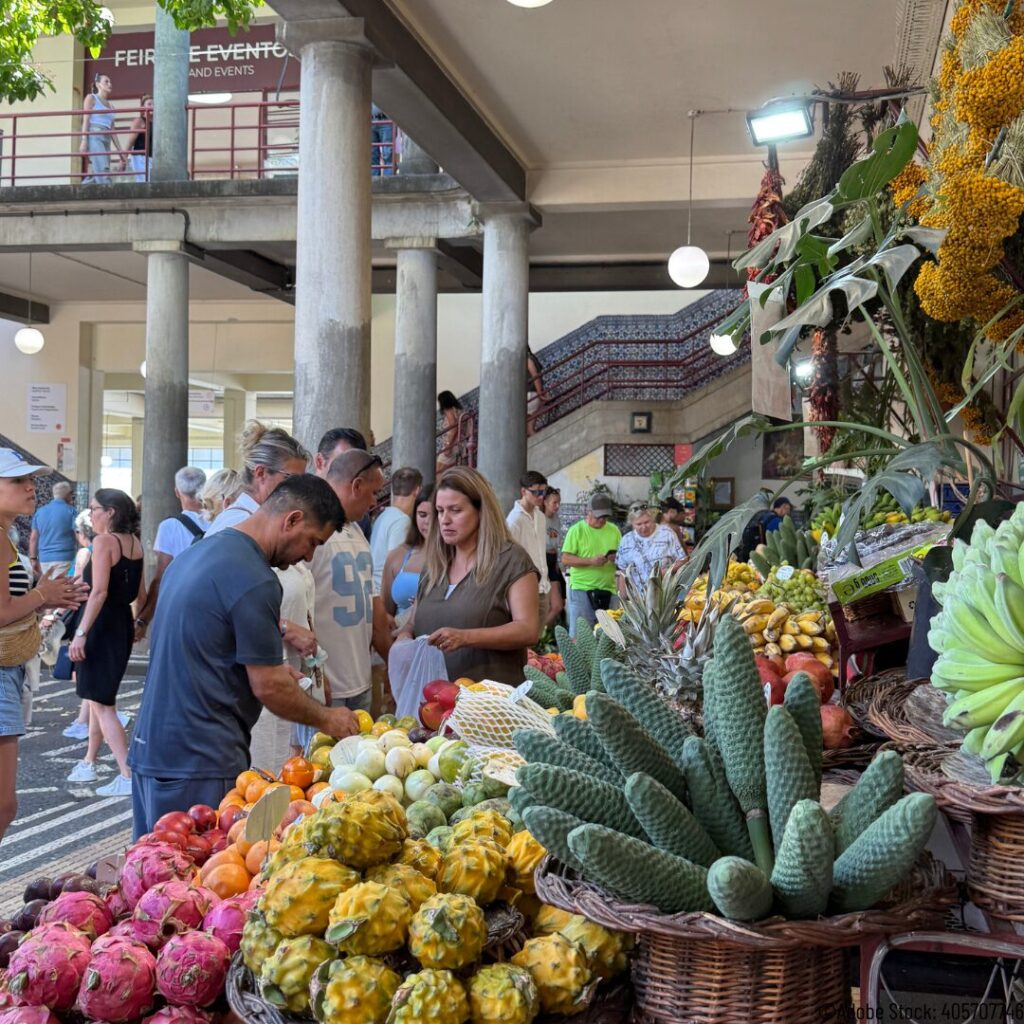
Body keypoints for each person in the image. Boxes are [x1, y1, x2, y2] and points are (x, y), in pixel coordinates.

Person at [128, 475, 353, 837]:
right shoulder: (255, 578)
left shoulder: (197, 553)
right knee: (191, 880)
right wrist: (328, 719)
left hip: (151, 750)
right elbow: (269, 687)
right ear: (292, 519)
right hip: (200, 757)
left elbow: (206, 650)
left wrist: (270, 674)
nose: (309, 556)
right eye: (312, 542)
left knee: (153, 877)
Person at [0, 449, 87, 841]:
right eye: (17, 481)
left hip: (10, 669)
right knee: (4, 804)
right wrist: (43, 595)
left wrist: (47, 597)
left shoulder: (8, 537)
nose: (29, 487)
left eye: (30, 479)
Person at [401, 466, 539, 685]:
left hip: (489, 706)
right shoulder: (435, 564)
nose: (444, 520)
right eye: (440, 510)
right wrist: (404, 637)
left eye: (455, 510)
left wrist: (465, 637)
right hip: (432, 704)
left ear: (481, 511)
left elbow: (528, 629)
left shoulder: (511, 559)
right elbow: (413, 622)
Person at [65, 490, 145, 797]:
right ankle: (90, 760)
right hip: (121, 622)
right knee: (100, 697)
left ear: (110, 512)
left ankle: (126, 772)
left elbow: (98, 592)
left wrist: (81, 633)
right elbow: (142, 594)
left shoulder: (103, 542)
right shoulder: (134, 544)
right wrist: (140, 623)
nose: (91, 514)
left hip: (99, 623)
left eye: (95, 509)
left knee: (102, 703)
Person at [312, 450, 392, 717]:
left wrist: (391, 660)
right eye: (373, 493)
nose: (374, 502)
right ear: (356, 485)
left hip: (360, 679)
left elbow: (372, 602)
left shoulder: (356, 530)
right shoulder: (312, 530)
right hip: (325, 685)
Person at [133, 466, 207, 641]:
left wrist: (143, 620)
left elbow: (162, 577)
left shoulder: (170, 526)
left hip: (182, 606)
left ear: (176, 492)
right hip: (215, 606)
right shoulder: (221, 520)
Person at [205, 421, 310, 536]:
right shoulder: (241, 522)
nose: (298, 488)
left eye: (301, 481)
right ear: (260, 473)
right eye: (291, 479)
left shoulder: (252, 518)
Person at [561, 493, 621, 637]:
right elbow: (566, 559)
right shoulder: (577, 530)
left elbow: (623, 556)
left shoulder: (614, 530)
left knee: (610, 637)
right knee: (580, 636)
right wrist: (591, 561)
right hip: (582, 588)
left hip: (608, 589)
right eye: (598, 516)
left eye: (605, 517)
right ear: (588, 512)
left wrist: (615, 558)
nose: (601, 520)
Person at [506, 470, 552, 637]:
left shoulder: (540, 516)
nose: (541, 496)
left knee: (536, 638)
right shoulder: (514, 520)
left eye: (543, 492)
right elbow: (509, 557)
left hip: (543, 585)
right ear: (524, 492)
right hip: (524, 588)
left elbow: (540, 552)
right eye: (536, 492)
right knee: (523, 638)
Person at [381, 487, 433, 629]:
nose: (428, 521)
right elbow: (385, 613)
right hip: (400, 641)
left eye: (436, 514)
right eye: (422, 515)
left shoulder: (457, 557)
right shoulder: (397, 556)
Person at [369, 467, 424, 591]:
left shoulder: (383, 515)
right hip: (386, 596)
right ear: (417, 490)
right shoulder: (401, 521)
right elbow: (395, 567)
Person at [615, 504, 685, 594]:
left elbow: (683, 560)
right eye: (639, 524)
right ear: (632, 524)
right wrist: (623, 599)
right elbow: (623, 572)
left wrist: (667, 572)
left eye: (646, 522)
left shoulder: (667, 534)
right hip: (638, 599)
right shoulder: (626, 540)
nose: (643, 527)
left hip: (664, 594)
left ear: (652, 519)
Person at [29, 481, 77, 579]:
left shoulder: (40, 512)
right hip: (65, 558)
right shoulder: (71, 511)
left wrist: (33, 559)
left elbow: (33, 538)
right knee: (63, 591)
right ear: (68, 495)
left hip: (44, 560)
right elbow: (78, 535)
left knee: (48, 590)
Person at [81, 74, 122, 184]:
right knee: (103, 169)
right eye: (106, 82)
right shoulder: (91, 98)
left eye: (110, 82)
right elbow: (86, 120)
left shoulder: (112, 106)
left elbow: (113, 131)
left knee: (99, 170)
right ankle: (109, 194)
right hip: (95, 135)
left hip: (107, 138)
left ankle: (83, 188)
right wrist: (84, 140)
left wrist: (121, 152)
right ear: (98, 84)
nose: (110, 84)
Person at [736, 497, 792, 562]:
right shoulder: (776, 521)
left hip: (749, 552)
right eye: (788, 509)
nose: (789, 512)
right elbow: (779, 540)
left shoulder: (764, 516)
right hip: (762, 555)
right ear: (783, 507)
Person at [543, 487, 565, 626]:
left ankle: (542, 634)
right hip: (542, 559)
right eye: (554, 503)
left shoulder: (556, 519)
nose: (557, 506)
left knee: (558, 605)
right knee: (553, 605)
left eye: (559, 503)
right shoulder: (539, 518)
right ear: (545, 502)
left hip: (552, 559)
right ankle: (538, 635)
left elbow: (557, 542)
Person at [124, 95, 152, 182]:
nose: (152, 106)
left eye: (154, 104)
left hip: (152, 157)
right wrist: (123, 160)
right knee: (143, 181)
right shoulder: (139, 121)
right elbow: (130, 142)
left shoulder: (156, 122)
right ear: (144, 107)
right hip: (140, 157)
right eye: (149, 104)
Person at [437, 391, 464, 473]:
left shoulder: (449, 411)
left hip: (453, 446)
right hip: (460, 443)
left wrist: (449, 446)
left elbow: (454, 427)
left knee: (438, 470)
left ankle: (438, 486)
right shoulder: (458, 410)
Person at [526, 349, 551, 437]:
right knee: (529, 428)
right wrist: (540, 393)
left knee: (529, 428)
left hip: (529, 396)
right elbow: (535, 376)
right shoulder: (528, 359)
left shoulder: (525, 360)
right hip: (531, 395)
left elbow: (535, 377)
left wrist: (540, 393)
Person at [371, 104, 394, 175]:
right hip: (371, 120)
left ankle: (389, 180)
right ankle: (374, 180)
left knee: (388, 153)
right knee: (372, 154)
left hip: (386, 119)